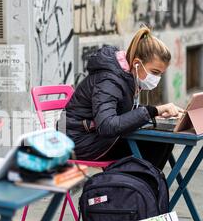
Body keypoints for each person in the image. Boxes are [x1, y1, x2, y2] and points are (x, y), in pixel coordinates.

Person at [63, 26, 184, 170]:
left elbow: (118, 112)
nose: (156, 78)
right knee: (155, 144)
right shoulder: (109, 81)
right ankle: (139, 188)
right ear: (136, 63)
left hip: (95, 137)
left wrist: (156, 114)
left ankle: (146, 187)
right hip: (81, 143)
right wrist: (152, 111)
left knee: (163, 140)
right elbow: (107, 125)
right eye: (155, 72)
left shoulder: (125, 76)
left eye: (160, 74)